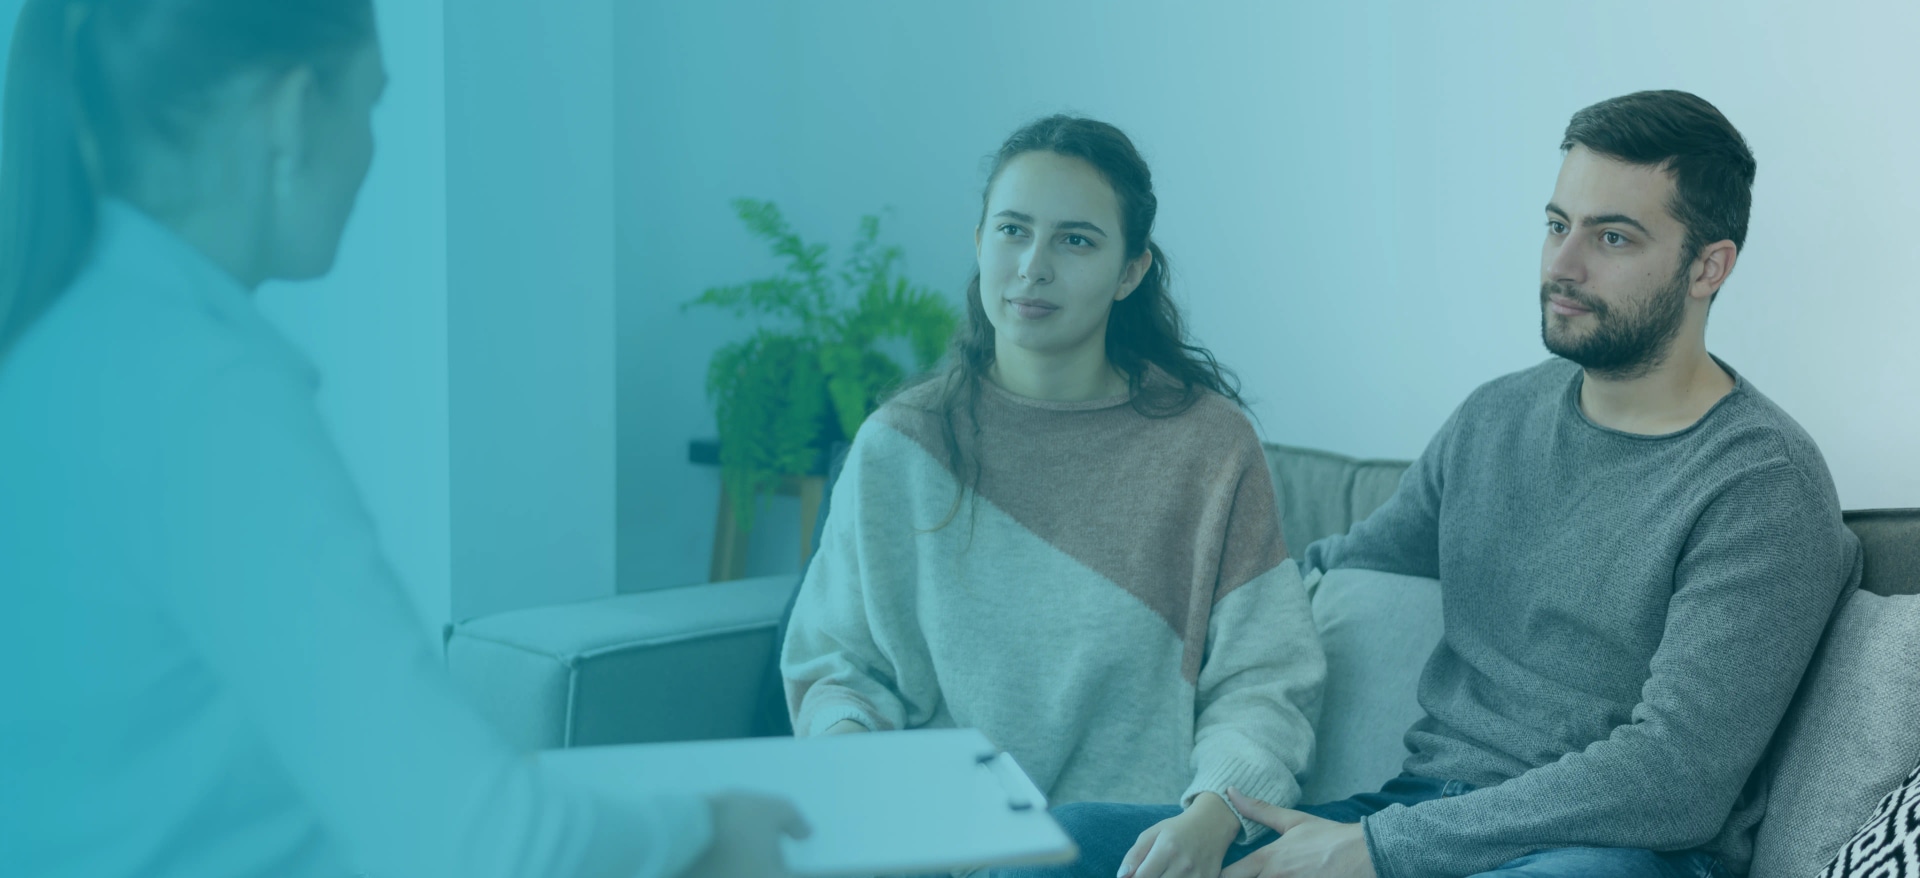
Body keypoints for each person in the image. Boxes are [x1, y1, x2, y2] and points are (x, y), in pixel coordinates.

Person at [0, 2, 804, 876]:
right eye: (371, 106)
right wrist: (704, 834)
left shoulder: (74, 346)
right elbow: (488, 842)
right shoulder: (196, 396)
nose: (371, 155)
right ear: (293, 111)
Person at [1011, 91, 1863, 878]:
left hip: (1608, 853)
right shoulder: (1496, 419)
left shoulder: (1760, 485)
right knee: (1065, 842)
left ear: (1708, 268)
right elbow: (1330, 570)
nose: (1563, 264)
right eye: (1556, 224)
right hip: (1418, 813)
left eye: (1612, 238)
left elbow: (1672, 777)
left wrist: (1377, 852)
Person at [781, 114, 1326, 877]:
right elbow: (839, 667)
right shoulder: (900, 445)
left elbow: (1265, 684)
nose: (1033, 266)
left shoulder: (1210, 447)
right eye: (1012, 230)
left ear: (1131, 271)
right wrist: (858, 774)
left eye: (1075, 240)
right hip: (924, 846)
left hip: (1122, 851)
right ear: (978, 244)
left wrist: (1213, 815)